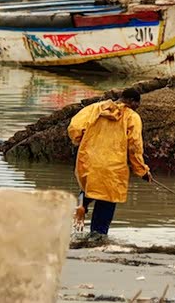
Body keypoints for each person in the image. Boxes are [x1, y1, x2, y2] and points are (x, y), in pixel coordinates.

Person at [68, 88, 151, 240]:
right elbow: (134, 146)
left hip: (89, 160)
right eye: (137, 104)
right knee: (107, 199)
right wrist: (142, 170)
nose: (137, 107)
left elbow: (75, 127)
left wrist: (81, 141)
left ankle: (82, 204)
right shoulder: (132, 117)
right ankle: (98, 235)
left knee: (90, 188)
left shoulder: (95, 108)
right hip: (113, 165)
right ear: (131, 101)